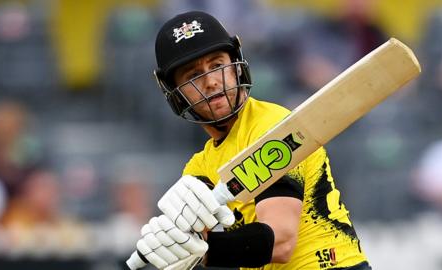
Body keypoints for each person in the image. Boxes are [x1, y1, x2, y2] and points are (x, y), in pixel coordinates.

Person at [127, 11, 371, 270]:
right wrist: (177, 244)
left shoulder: (274, 127)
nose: (210, 82)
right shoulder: (197, 170)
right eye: (193, 76)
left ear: (236, 65)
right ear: (176, 93)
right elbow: (209, 243)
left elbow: (281, 241)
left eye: (218, 65)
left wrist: (204, 252)